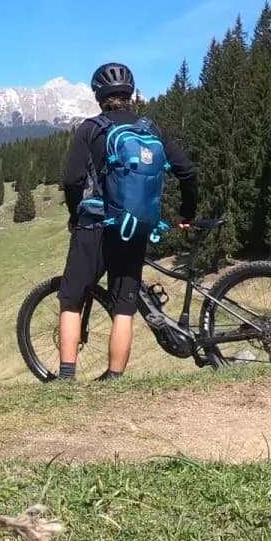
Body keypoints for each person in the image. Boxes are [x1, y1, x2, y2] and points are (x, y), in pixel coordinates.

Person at [57, 62, 198, 380]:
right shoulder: (151, 130)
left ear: (98, 94)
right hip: (134, 227)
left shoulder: (91, 129)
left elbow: (71, 179)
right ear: (130, 94)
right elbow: (187, 172)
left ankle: (65, 378)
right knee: (124, 305)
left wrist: (74, 214)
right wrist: (186, 213)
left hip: (94, 227)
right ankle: (115, 378)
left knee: (71, 298)